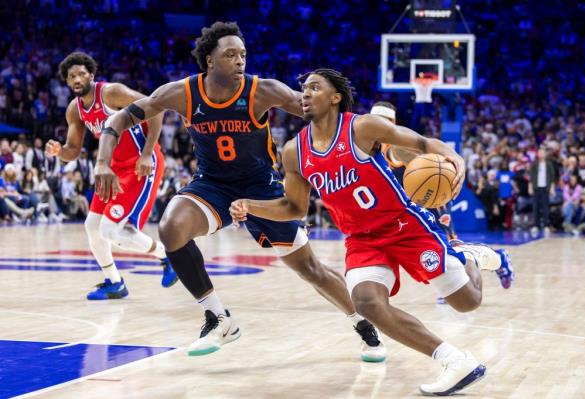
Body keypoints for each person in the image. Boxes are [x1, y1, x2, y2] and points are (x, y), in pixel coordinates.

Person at [93, 22, 384, 361]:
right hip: (212, 184)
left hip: (261, 187)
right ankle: (218, 318)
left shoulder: (262, 90)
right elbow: (116, 121)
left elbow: (318, 111)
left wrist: (362, 132)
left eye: (243, 55)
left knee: (310, 269)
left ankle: (363, 323)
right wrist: (103, 162)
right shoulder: (181, 93)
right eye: (230, 55)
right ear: (209, 61)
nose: (240, 61)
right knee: (171, 226)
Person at [230, 69, 514, 396]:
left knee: (467, 302)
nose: (305, 94)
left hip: (405, 227)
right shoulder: (295, 151)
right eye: (303, 89)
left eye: (314, 88)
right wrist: (250, 206)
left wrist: (453, 158)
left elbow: (422, 143)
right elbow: (295, 208)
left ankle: (472, 256)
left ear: (335, 97)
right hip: (361, 239)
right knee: (366, 302)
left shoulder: (363, 127)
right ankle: (453, 360)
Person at [46, 52, 178, 300]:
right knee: (92, 227)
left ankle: (166, 256)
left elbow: (156, 108)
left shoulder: (111, 92)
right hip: (112, 169)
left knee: (111, 229)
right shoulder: (75, 109)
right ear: (66, 82)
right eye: (71, 76)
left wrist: (148, 153)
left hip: (140, 163)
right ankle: (114, 282)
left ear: (92, 75)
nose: (77, 78)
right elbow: (73, 150)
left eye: (81, 74)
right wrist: (59, 151)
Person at [371, 101, 513, 290]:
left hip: (430, 203)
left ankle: (497, 259)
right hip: (404, 211)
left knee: (453, 250)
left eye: (385, 120)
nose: (379, 124)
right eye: (376, 120)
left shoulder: (394, 148)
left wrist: (439, 171)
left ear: (392, 122)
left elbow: (429, 167)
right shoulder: (367, 150)